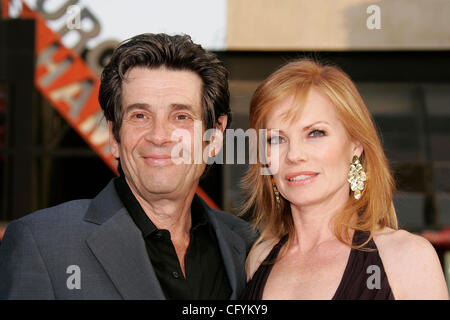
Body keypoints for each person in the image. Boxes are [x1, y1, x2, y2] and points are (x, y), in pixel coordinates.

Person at [0, 33, 256, 299]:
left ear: (214, 137)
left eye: (181, 116)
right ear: (114, 136)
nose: (159, 136)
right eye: (140, 115)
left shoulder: (247, 245)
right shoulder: (43, 243)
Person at [239, 59, 449, 300]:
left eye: (315, 133)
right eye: (276, 139)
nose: (294, 155)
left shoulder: (407, 258)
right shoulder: (257, 261)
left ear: (355, 145)